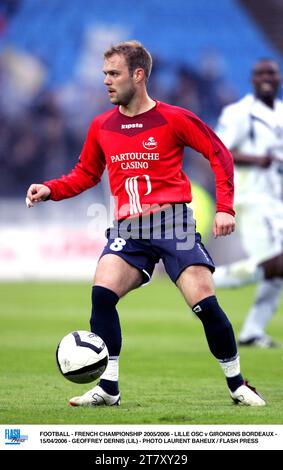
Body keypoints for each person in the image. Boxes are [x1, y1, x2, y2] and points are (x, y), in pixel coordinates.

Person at [26, 41, 265, 407]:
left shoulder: (174, 118)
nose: (106, 81)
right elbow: (86, 173)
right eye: (104, 73)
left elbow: (219, 154)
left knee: (205, 303)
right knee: (102, 295)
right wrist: (51, 189)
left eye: (114, 74)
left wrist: (225, 208)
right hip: (129, 230)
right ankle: (108, 388)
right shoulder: (102, 125)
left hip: (173, 225)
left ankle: (237, 384)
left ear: (138, 75)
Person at [215, 58, 283, 348]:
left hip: (275, 199)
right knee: (277, 262)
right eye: (260, 73)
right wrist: (257, 160)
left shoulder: (281, 112)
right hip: (251, 199)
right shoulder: (239, 113)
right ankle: (206, 279)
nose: (267, 77)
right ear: (252, 79)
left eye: (272, 72)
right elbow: (218, 150)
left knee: (276, 271)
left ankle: (252, 331)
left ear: (279, 78)